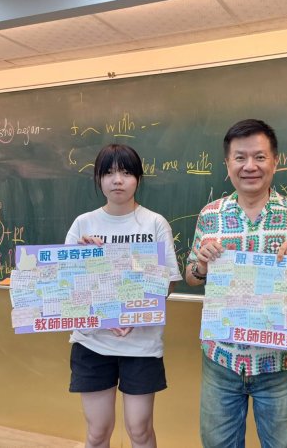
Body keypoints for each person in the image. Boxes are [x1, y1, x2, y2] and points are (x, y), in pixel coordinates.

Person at [185, 119, 287, 448]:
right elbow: (191, 276)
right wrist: (201, 265)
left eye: (260, 157)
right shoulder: (210, 215)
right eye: (240, 157)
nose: (250, 166)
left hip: (279, 362)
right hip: (221, 359)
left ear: (275, 161)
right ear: (227, 164)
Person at [65, 143, 182, 448]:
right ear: (98, 178)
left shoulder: (154, 223)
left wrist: (134, 313)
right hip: (92, 342)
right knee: (97, 432)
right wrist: (81, 258)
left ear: (138, 179)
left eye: (126, 173)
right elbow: (68, 287)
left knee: (140, 430)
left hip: (141, 344)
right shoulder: (83, 224)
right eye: (109, 173)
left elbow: (168, 282)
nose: (117, 180)